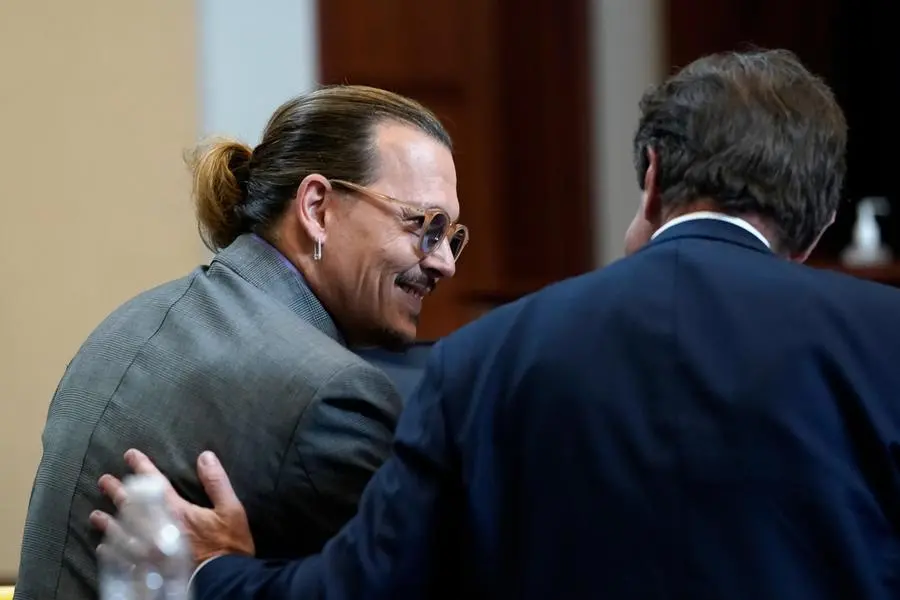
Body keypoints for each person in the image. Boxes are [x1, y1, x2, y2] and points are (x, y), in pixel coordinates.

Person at [95, 49, 900, 599]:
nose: (443, 263)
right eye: (425, 226)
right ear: (822, 219)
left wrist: (215, 574)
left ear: (651, 179)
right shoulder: (883, 340)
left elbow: (368, 588)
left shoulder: (490, 355)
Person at [14, 85, 466, 600]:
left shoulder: (131, 321)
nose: (443, 263)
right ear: (317, 208)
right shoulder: (332, 395)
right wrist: (231, 575)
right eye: (424, 226)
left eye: (451, 237)